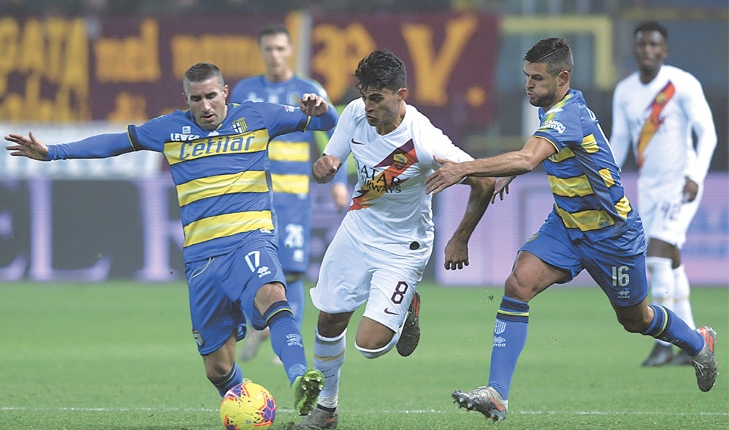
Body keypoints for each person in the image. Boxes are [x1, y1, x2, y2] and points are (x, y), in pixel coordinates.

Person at [4, 62, 334, 417]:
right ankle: (248, 406)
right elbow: (114, 143)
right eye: (197, 99)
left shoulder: (259, 116)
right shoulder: (169, 129)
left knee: (272, 292)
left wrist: (323, 110)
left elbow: (326, 122)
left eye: (211, 96)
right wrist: (53, 151)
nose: (206, 105)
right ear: (187, 99)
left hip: (249, 239)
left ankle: (300, 376)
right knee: (218, 368)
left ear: (225, 92)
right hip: (202, 260)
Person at [425, 38, 718, 423]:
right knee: (518, 285)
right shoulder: (553, 113)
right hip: (566, 225)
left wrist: (465, 167)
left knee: (636, 320)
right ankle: (497, 394)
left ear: (562, 78)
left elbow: (529, 157)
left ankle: (699, 343)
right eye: (526, 77)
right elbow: (533, 153)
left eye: (537, 79)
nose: (529, 85)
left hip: (613, 236)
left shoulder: (571, 114)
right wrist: (506, 171)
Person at [296, 50, 495, 429]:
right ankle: (327, 409)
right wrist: (324, 170)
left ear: (401, 94)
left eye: (376, 98)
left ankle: (408, 307)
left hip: (403, 248)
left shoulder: (424, 141)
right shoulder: (355, 114)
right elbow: (330, 163)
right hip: (357, 228)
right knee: (328, 321)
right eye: (363, 94)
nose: (367, 106)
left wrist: (460, 239)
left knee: (369, 347)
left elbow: (483, 180)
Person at [230, 23, 349, 364]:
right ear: (261, 52)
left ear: (290, 51)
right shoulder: (246, 90)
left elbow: (329, 137)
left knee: (293, 269)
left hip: (294, 196)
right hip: (253, 194)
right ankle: (261, 324)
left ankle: (286, 338)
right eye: (269, 49)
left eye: (281, 49)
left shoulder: (308, 89)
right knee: (251, 264)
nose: (275, 55)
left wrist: (338, 180)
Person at [610, 21, 718, 367]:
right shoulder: (625, 91)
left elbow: (709, 133)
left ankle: (664, 343)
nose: (647, 50)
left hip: (680, 185)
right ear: (635, 49)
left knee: (655, 257)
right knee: (670, 261)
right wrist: (605, 182)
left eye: (654, 45)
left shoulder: (681, 84)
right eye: (642, 44)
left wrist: (695, 175)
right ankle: (695, 343)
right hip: (649, 187)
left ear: (664, 51)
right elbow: (619, 143)